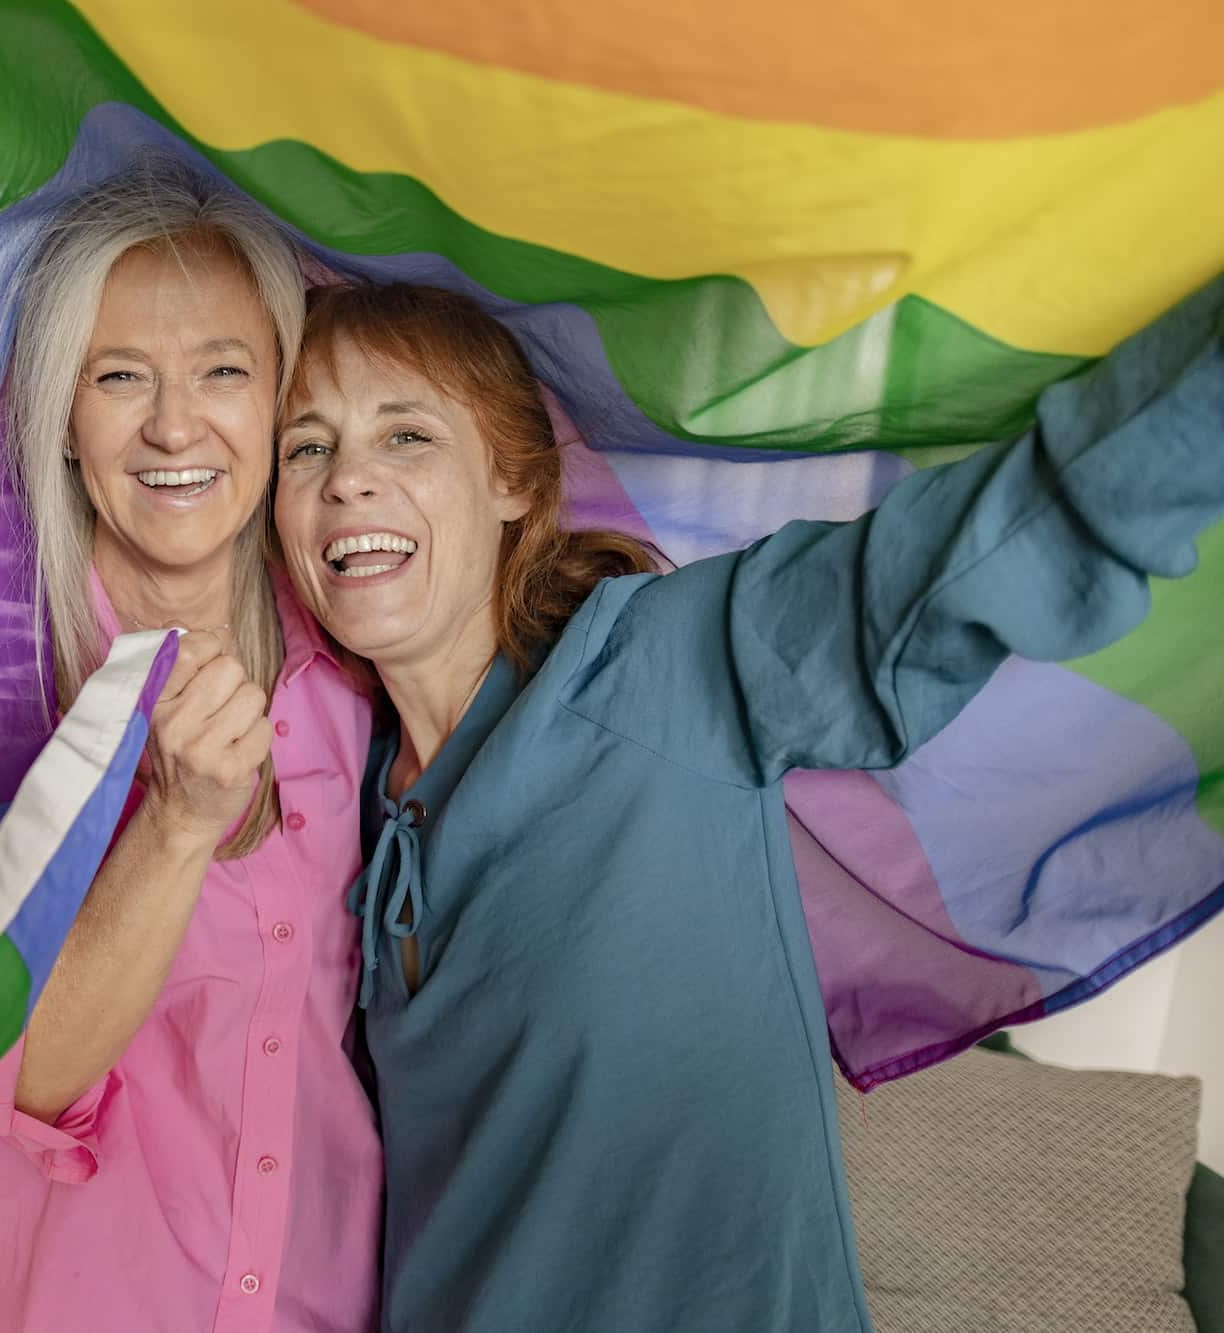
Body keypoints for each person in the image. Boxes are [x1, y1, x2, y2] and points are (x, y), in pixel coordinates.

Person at [270, 278, 1224, 1331]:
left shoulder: (661, 665)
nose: (347, 479)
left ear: (508, 480)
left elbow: (985, 547)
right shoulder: (340, 798)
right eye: (304, 447)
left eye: (403, 435)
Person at [0, 161, 381, 1332]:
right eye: (118, 376)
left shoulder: (353, 653)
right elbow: (12, 1074)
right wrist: (178, 823)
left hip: (316, 1292)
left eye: (223, 372)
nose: (175, 425)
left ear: (280, 398)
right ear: (62, 415)